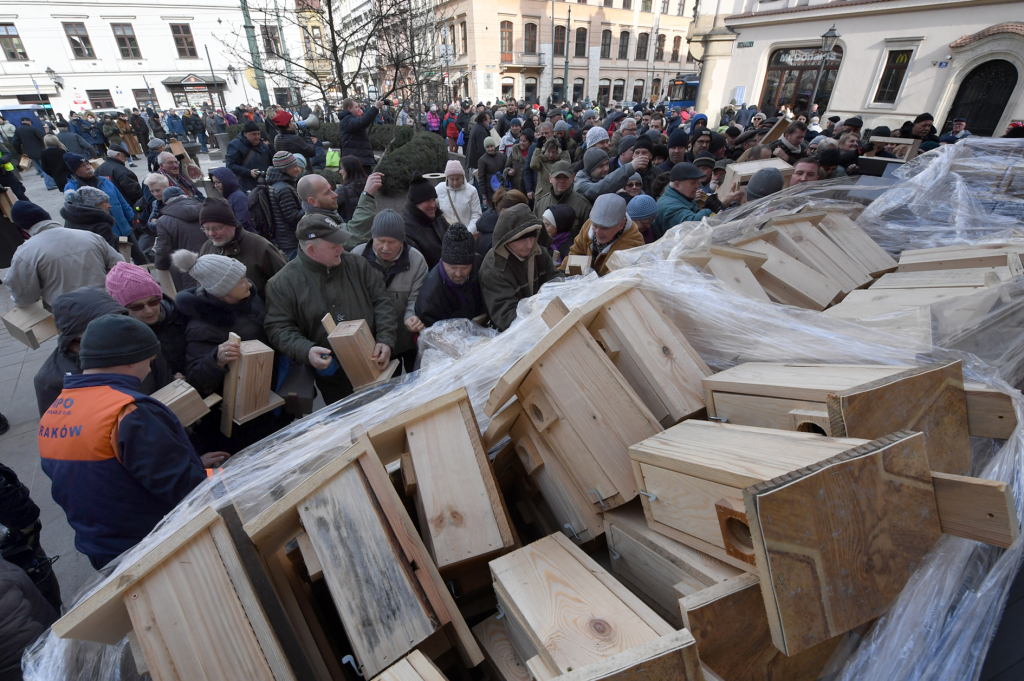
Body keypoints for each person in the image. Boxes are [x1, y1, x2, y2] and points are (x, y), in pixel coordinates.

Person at [38, 314, 217, 569]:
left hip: (102, 550)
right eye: (150, 359)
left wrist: (193, 462)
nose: (150, 367)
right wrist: (219, 476)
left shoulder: (54, 413)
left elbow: (105, 476)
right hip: (155, 545)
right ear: (132, 359)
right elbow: (184, 487)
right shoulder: (129, 412)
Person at [264, 213, 398, 404]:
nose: (341, 249)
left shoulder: (357, 265)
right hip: (333, 376)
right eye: (334, 246)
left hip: (375, 361)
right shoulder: (282, 284)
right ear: (311, 249)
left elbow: (382, 300)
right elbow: (278, 328)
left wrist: (386, 339)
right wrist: (307, 350)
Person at [172, 250, 289, 453]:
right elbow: (196, 377)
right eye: (241, 281)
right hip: (241, 419)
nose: (249, 284)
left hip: (268, 396)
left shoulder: (248, 300)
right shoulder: (202, 326)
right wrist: (216, 359)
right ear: (222, 289)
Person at [350, 210, 428, 371]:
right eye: (380, 241)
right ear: (372, 238)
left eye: (392, 242)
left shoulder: (417, 261)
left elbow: (417, 297)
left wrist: (411, 316)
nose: (385, 247)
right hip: (374, 343)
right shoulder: (357, 257)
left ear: (402, 241)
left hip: (406, 338)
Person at [33, 286, 129, 416]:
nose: (117, 332)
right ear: (75, 336)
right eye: (104, 327)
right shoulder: (50, 379)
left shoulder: (136, 347)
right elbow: (57, 428)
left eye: (120, 321)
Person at [7, 200, 122, 307]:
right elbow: (120, 266)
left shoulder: (25, 253)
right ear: (47, 217)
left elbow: (24, 296)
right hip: (107, 302)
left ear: (22, 228)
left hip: (68, 312)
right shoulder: (89, 236)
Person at [105, 261, 187, 392]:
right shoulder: (119, 339)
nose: (148, 310)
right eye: (137, 306)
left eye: (153, 301)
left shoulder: (180, 315)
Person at [479, 204, 564, 331]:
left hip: (545, 320)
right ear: (507, 240)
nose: (530, 245)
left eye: (532, 237)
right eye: (522, 240)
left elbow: (554, 279)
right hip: (513, 334)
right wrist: (542, 314)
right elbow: (506, 317)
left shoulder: (538, 251)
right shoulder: (494, 269)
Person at [198, 196, 286, 301]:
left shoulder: (260, 246)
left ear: (232, 225)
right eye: (206, 229)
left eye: (216, 228)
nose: (211, 233)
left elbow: (285, 283)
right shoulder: (207, 248)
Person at [415, 222, 486, 328]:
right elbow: (431, 336)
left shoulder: (479, 264)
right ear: (443, 261)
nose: (458, 274)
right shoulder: (430, 296)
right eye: (453, 267)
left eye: (465, 268)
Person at [561, 194, 644, 277]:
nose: (598, 233)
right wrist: (563, 274)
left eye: (605, 228)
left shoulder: (633, 244)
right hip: (589, 283)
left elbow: (615, 281)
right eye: (595, 226)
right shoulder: (590, 224)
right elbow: (578, 253)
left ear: (621, 224)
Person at [654, 162, 741, 239]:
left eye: (697, 182)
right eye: (692, 183)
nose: (697, 186)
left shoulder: (682, 197)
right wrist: (721, 203)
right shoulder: (669, 206)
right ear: (677, 184)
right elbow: (692, 225)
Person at [298, 171, 380, 248]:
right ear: (313, 201)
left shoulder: (325, 213)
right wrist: (367, 195)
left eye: (331, 189)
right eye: (327, 193)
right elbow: (354, 235)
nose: (335, 195)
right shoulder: (313, 225)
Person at [154, 186, 206, 290]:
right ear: (186, 196)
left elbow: (163, 250)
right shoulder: (206, 210)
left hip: (186, 271)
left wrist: (160, 266)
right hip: (212, 263)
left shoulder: (163, 221)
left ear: (166, 203)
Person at [403, 174, 450, 269]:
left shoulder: (436, 217)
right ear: (415, 203)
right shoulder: (406, 229)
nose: (433, 205)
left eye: (434, 199)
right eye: (428, 201)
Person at [267, 151, 306, 259]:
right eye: (294, 166)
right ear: (284, 169)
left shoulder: (278, 184)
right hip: (290, 240)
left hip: (286, 238)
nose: (297, 169)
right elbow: (292, 217)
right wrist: (308, 206)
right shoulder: (284, 189)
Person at [225, 121, 273, 193]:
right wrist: (248, 172)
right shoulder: (235, 145)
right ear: (245, 134)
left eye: (258, 134)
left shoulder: (264, 146)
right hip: (246, 186)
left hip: (265, 184)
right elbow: (230, 165)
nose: (257, 137)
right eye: (253, 134)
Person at [436, 160, 482, 234]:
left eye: (458, 179)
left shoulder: (472, 190)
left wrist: (467, 233)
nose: (455, 182)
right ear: (447, 178)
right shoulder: (439, 188)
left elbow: (476, 215)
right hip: (445, 235)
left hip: (465, 235)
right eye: (452, 179)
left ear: (463, 177)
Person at [338, 98, 382, 171]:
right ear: (349, 109)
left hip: (359, 160)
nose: (359, 109)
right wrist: (375, 108)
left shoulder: (349, 119)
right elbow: (362, 122)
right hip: (357, 162)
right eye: (356, 107)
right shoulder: (347, 120)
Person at [13, 119, 57, 190]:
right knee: (46, 168)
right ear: (29, 122)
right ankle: (50, 184)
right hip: (40, 151)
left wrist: (20, 152)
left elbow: (15, 143)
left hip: (30, 153)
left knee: (41, 169)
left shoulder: (18, 130)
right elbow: (44, 137)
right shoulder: (32, 129)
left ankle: (50, 182)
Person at [336, 156, 368, 221]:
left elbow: (328, 205)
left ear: (348, 170)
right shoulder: (367, 185)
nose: (340, 172)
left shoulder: (343, 189)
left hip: (347, 225)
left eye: (341, 168)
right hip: (364, 224)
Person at [478, 137, 507, 208]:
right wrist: (483, 193)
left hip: (502, 187)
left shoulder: (501, 157)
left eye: (491, 146)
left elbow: (505, 169)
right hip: (490, 190)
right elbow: (481, 177)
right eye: (488, 147)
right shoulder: (482, 160)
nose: (490, 149)